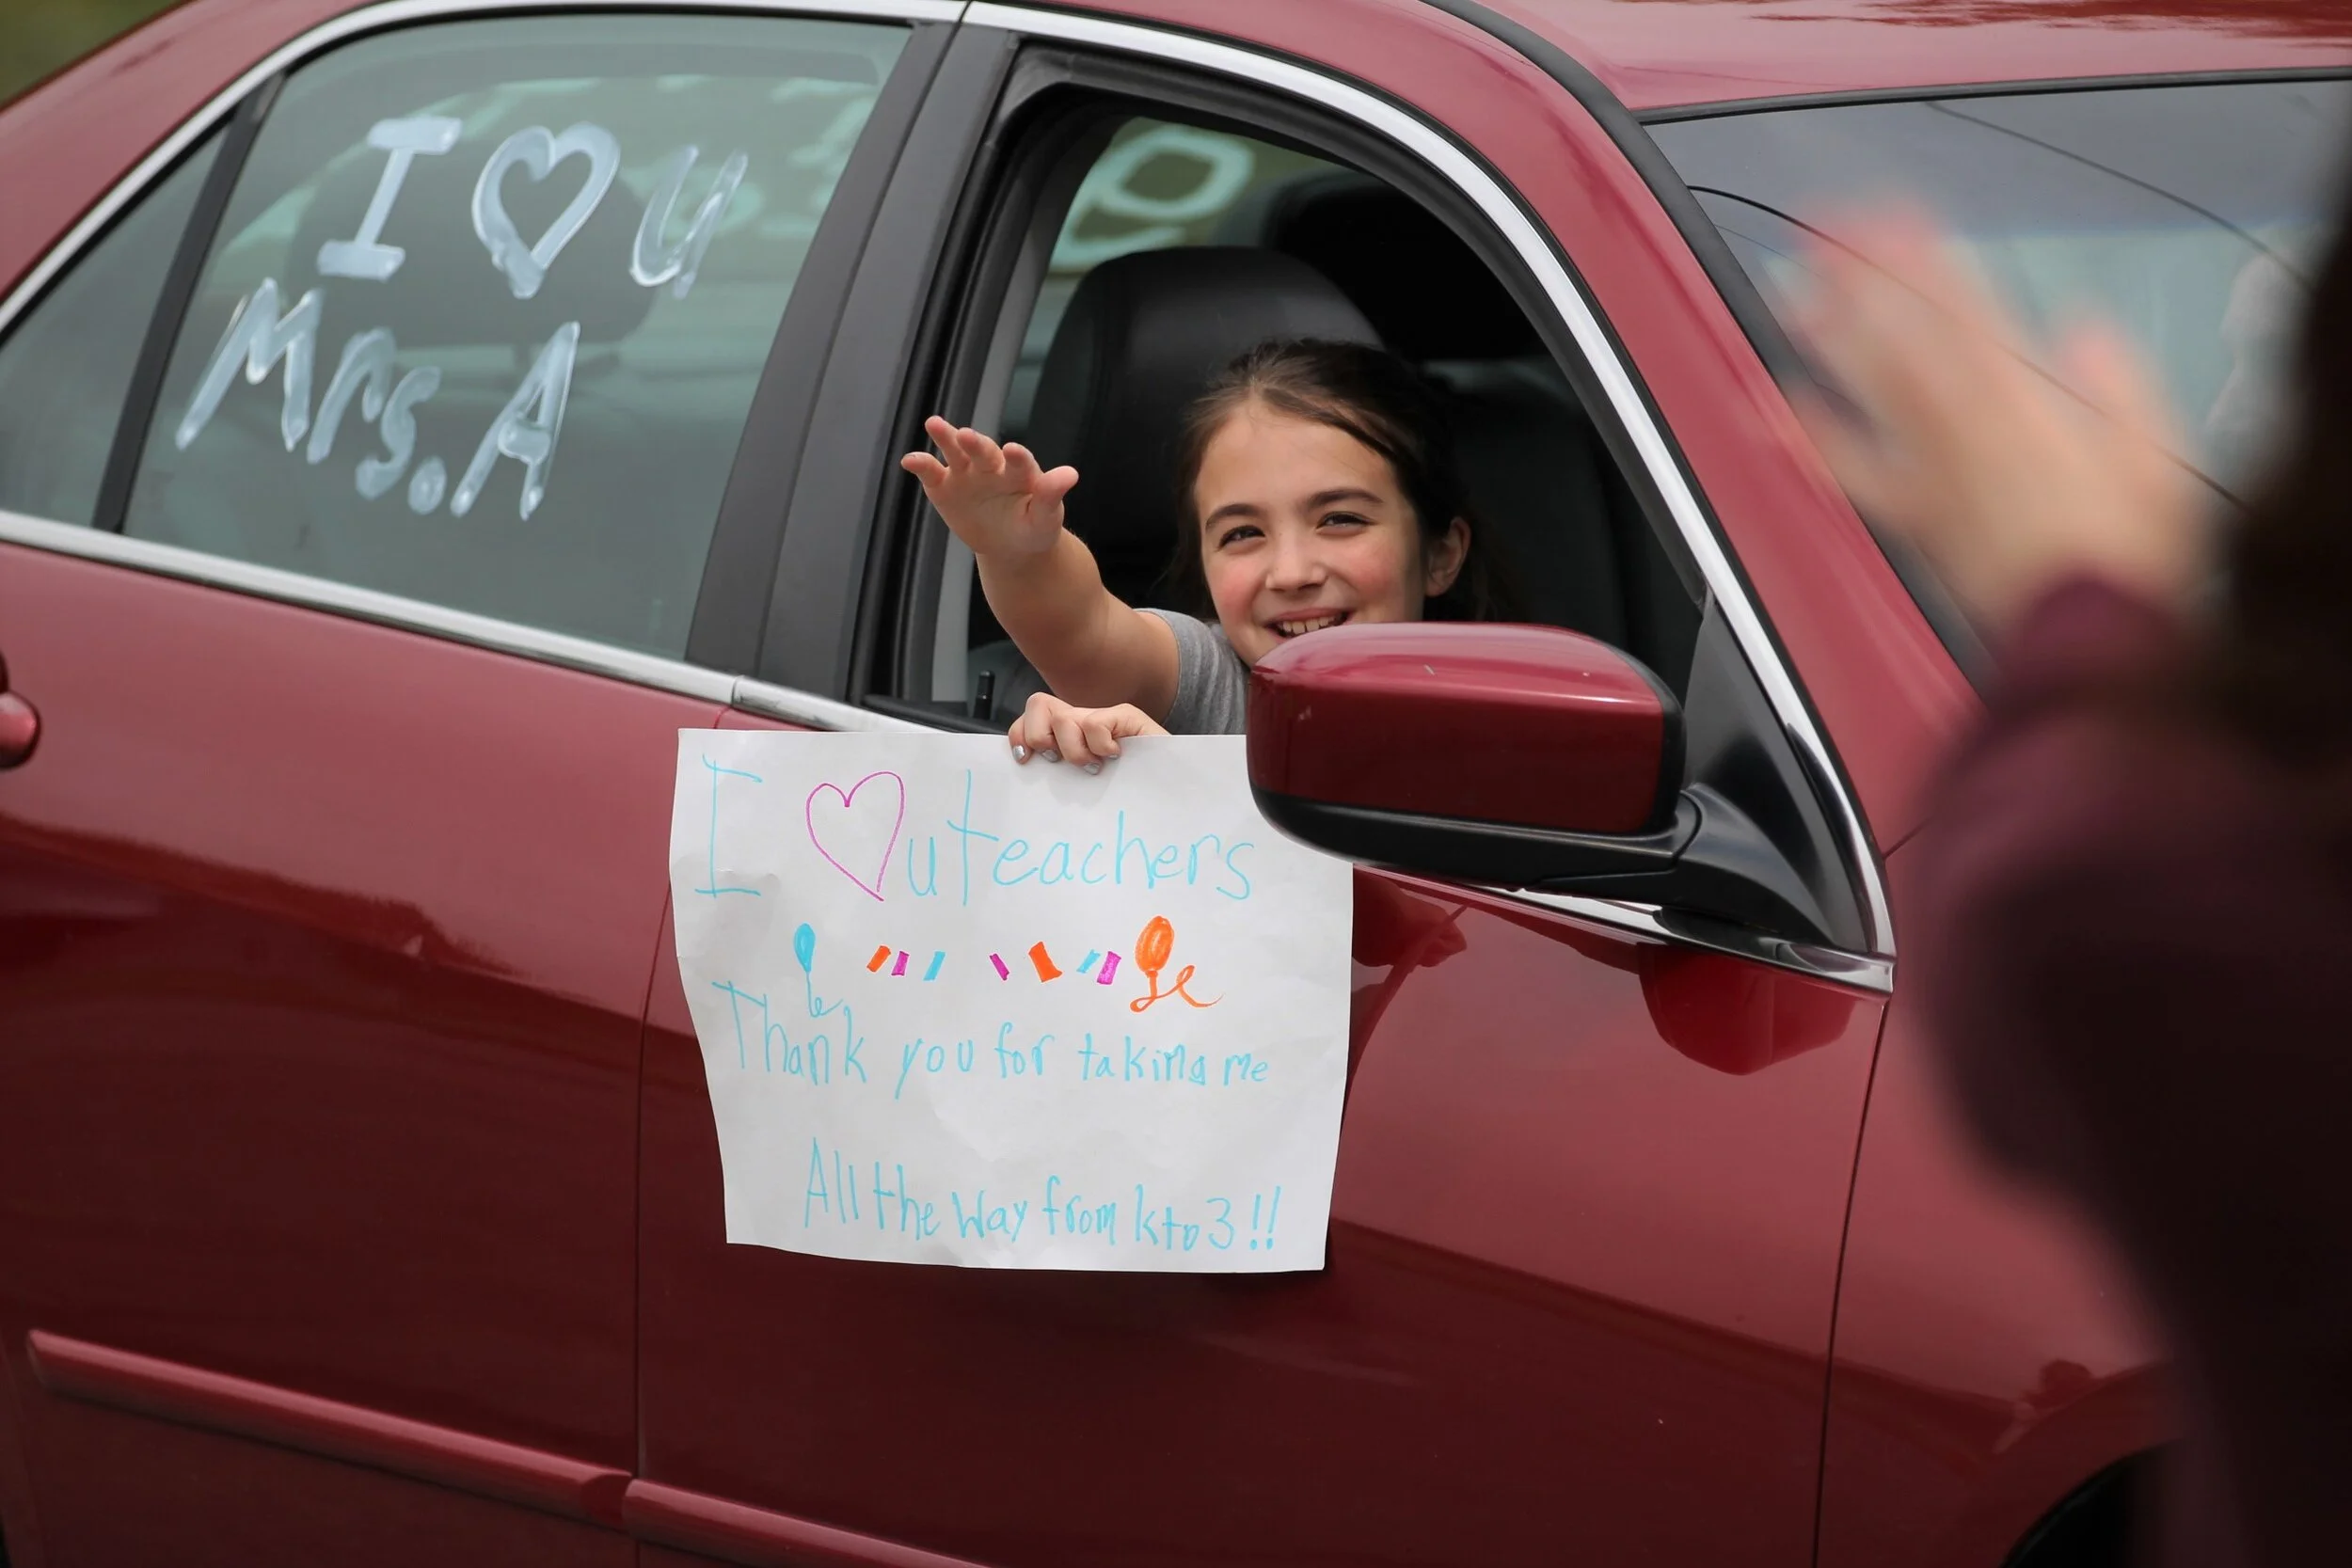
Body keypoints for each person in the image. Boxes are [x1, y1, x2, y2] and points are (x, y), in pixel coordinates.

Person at [1797, 213, 2352, 1568]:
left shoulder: (2184, 908)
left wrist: (2078, 605)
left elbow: (2072, 911)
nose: (2232, 433)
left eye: (2279, 384)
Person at [900, 338, 1508, 765]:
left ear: (1440, 554)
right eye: (1243, 533)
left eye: (1340, 519)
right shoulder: (1217, 682)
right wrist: (1021, 553)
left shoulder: (1513, 714)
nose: (1292, 572)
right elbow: (1082, 631)